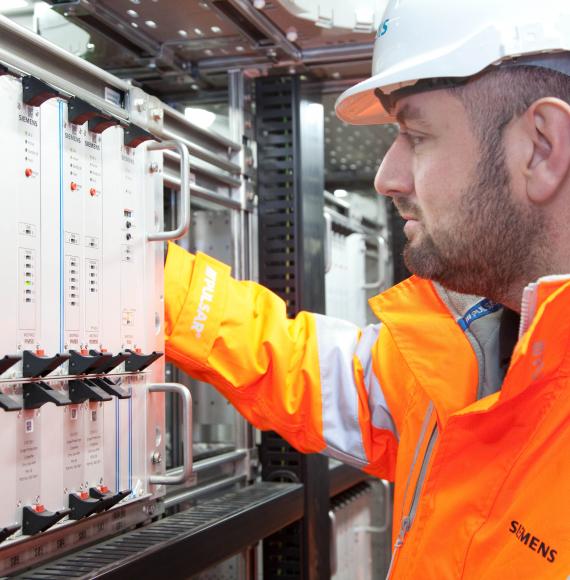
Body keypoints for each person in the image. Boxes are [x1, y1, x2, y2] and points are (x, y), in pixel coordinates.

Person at [164, 0, 570, 577]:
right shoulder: (478, 346)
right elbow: (311, 368)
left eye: (417, 135)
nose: (387, 176)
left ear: (542, 146)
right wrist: (153, 281)